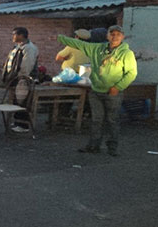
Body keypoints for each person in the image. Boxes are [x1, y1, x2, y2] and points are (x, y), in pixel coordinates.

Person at [58, 25, 137, 156]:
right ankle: (93, 146)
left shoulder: (126, 53)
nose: (115, 37)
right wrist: (60, 38)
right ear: (107, 36)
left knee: (112, 120)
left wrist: (117, 87)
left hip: (113, 93)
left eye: (118, 34)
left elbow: (131, 73)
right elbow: (79, 44)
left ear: (122, 37)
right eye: (112, 34)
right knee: (96, 120)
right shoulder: (97, 48)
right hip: (96, 91)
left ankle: (112, 148)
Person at [1, 27, 39, 132]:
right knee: (16, 101)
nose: (13, 37)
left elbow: (27, 65)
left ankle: (23, 125)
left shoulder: (29, 48)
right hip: (15, 79)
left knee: (23, 101)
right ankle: (18, 122)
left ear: (21, 35)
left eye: (15, 34)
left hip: (23, 79)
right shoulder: (18, 47)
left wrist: (21, 77)